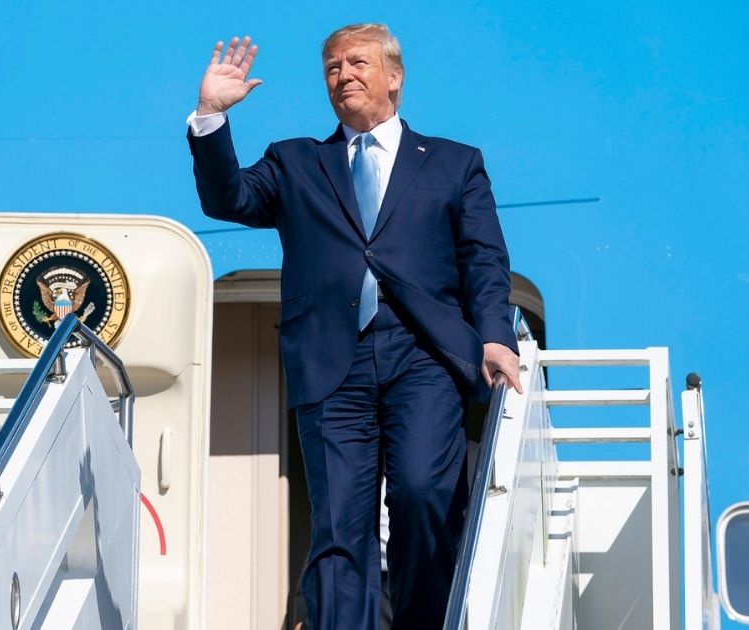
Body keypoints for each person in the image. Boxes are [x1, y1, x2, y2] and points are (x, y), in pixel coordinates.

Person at [187, 24, 522, 630]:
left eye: (358, 63)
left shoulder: (454, 163)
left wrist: (495, 336)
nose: (343, 74)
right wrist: (211, 115)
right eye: (332, 67)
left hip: (423, 356)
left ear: (394, 77)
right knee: (340, 524)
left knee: (424, 496)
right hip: (329, 361)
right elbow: (228, 199)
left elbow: (484, 259)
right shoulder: (295, 161)